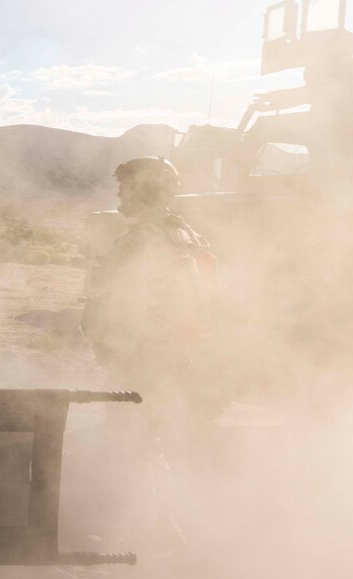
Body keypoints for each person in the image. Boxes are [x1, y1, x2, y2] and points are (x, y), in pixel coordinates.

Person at [80, 157, 220, 552]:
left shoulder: (141, 241)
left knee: (133, 442)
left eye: (125, 188)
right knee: (155, 439)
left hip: (141, 358)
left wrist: (107, 343)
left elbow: (120, 307)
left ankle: (154, 530)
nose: (119, 195)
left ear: (142, 189)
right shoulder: (186, 234)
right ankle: (166, 526)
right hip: (175, 355)